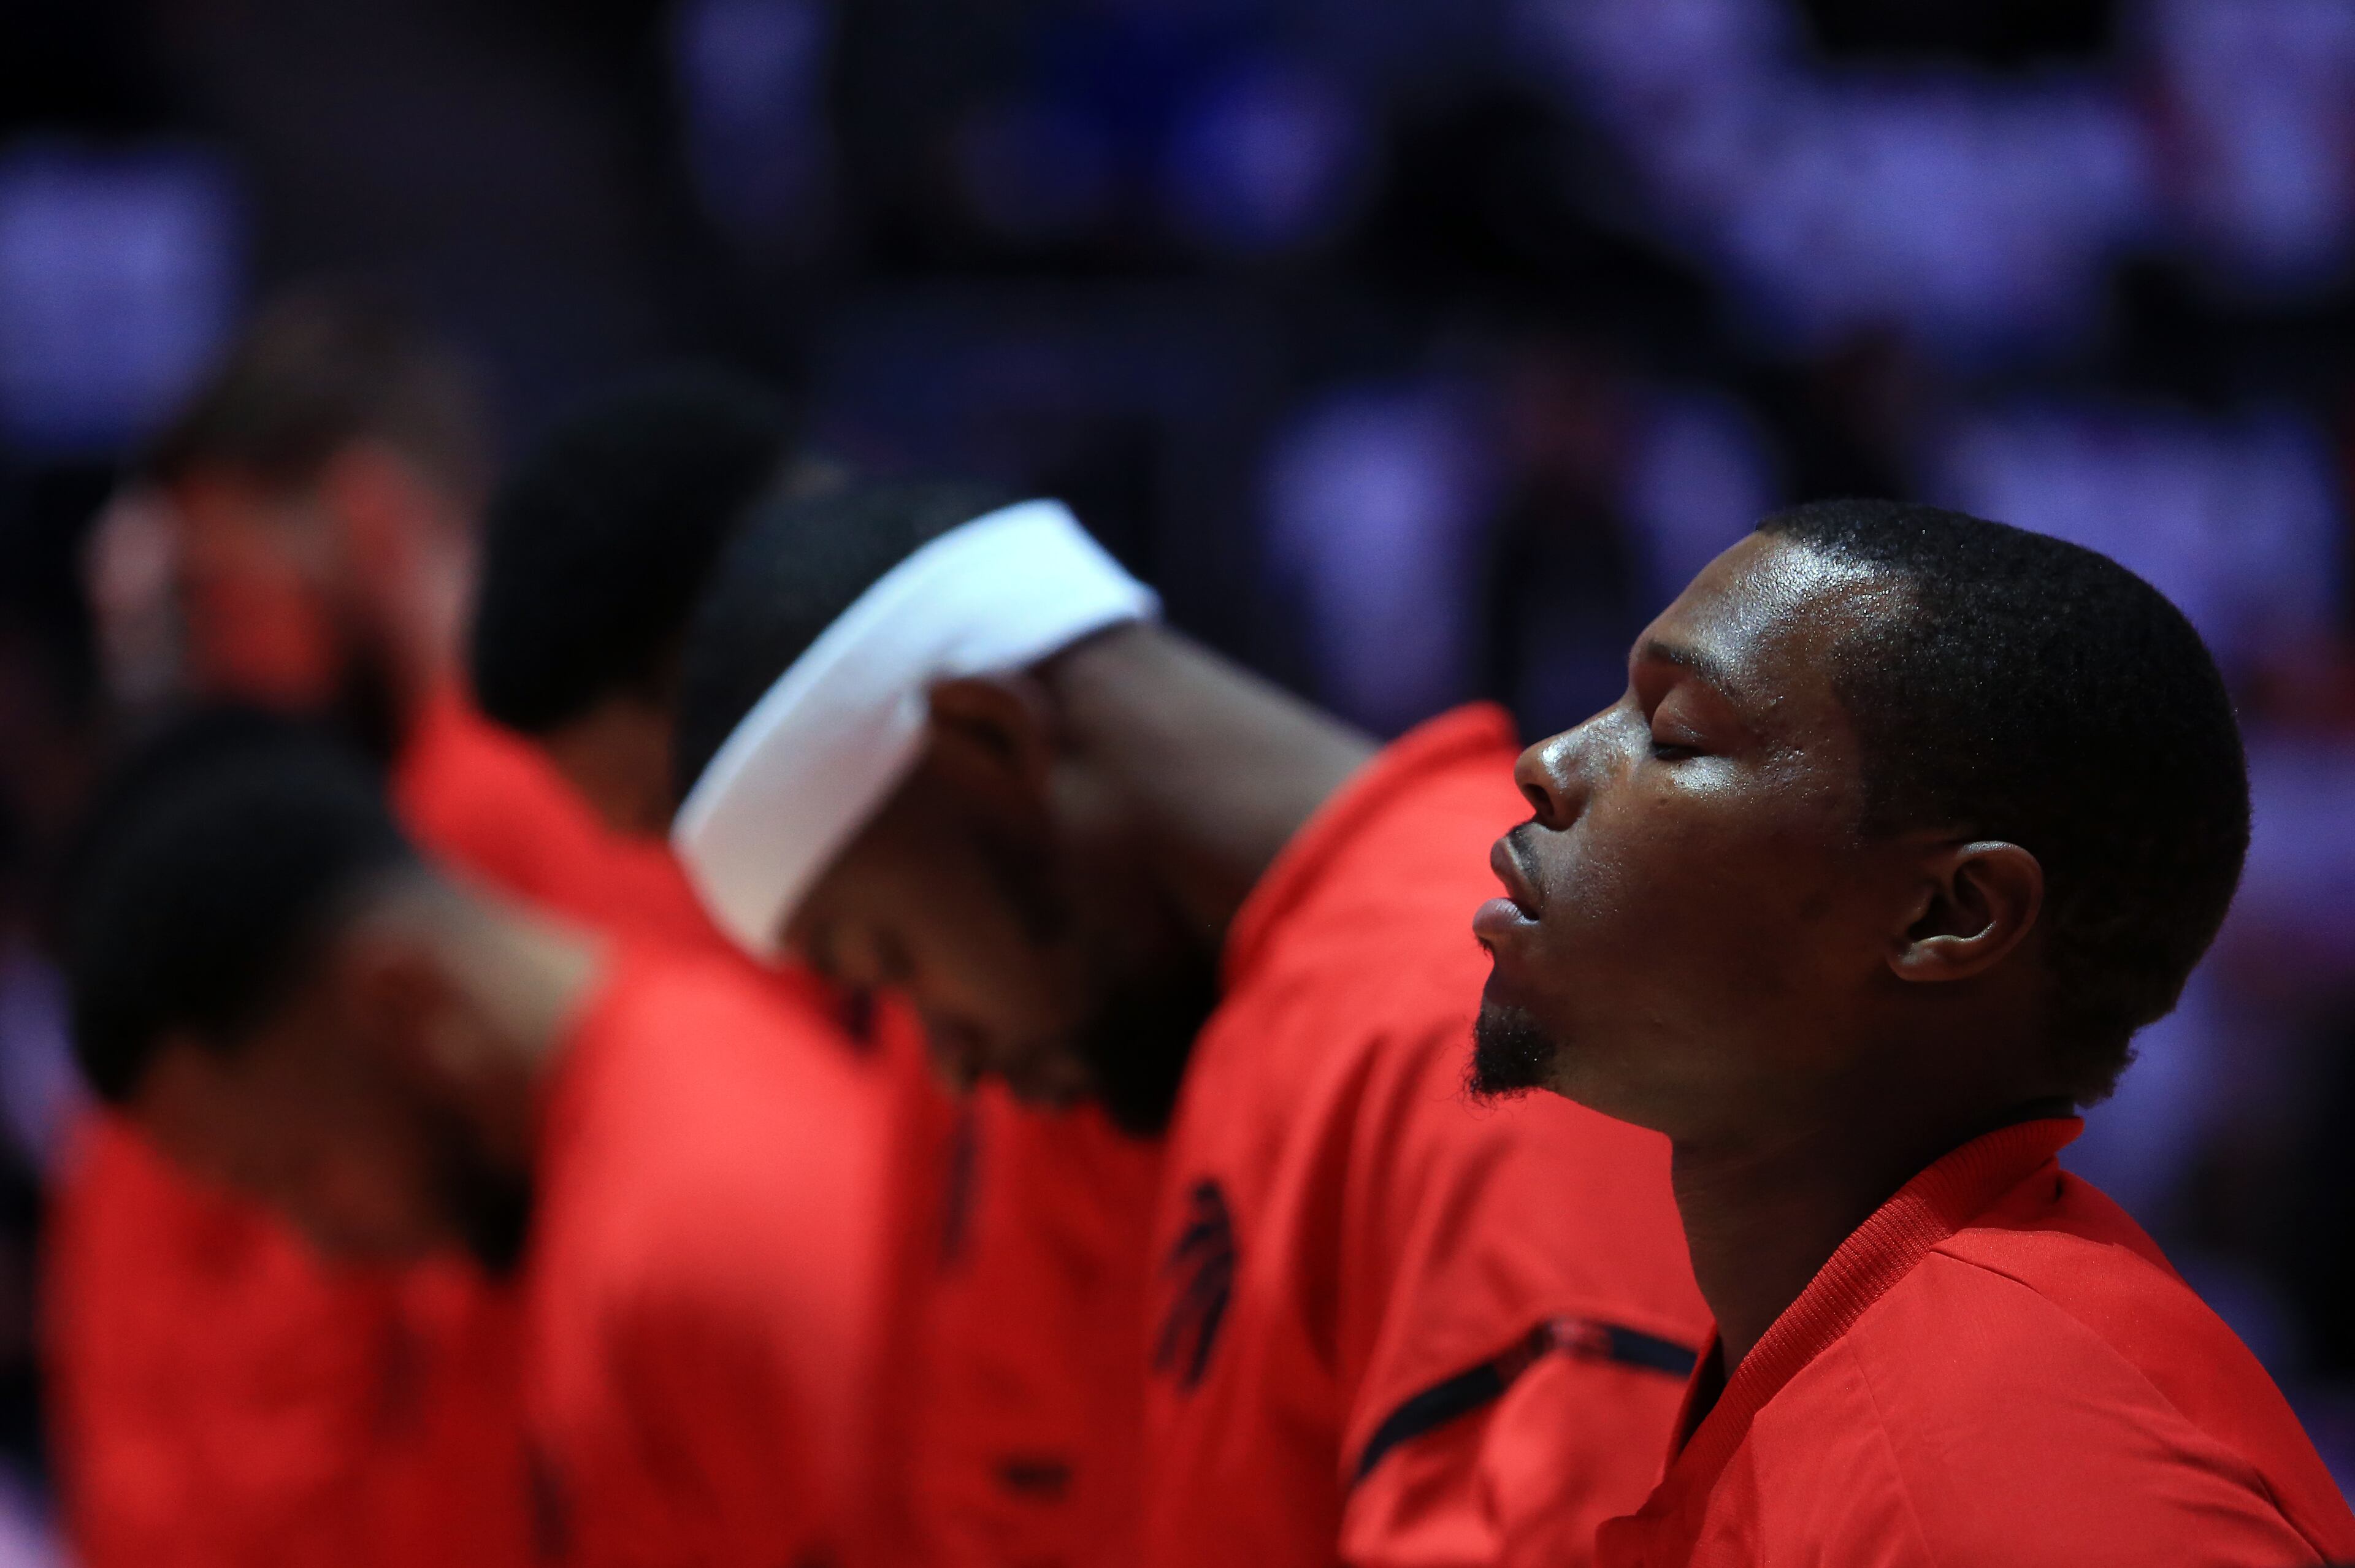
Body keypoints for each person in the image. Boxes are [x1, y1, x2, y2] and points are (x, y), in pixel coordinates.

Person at [669, 480, 1709, 1567]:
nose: (946, 1051)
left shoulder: (1475, 992)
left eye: (889, 958)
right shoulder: (1265, 1020)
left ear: (988, 737)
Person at [1469, 499, 2355, 1566]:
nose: (1548, 760)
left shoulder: (2029, 1480)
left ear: (1949, 914)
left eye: (1674, 734)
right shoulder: (1892, 1359)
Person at [48, 293, 719, 1568]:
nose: (217, 651)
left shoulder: (514, 801)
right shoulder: (407, 799)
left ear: (365, 522)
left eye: (224, 590)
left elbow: (593, 1261)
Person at [469, 378, 1161, 1568]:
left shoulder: (1078, 984)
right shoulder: (928, 999)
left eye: (677, 810)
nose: (710, 881)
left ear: (733, 665)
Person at [64, 719, 889, 1567]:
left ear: (400, 1000)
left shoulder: (706, 1204)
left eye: (296, 1171)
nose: (318, 1245)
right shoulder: (537, 1216)